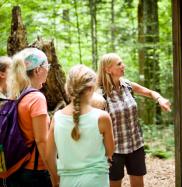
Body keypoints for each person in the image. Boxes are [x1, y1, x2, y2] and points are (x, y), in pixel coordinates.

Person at [97, 53, 171, 187]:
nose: (123, 66)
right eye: (119, 64)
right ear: (108, 69)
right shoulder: (100, 95)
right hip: (113, 150)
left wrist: (160, 99)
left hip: (136, 145)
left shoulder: (127, 85)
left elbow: (149, 92)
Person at [46, 64, 114, 187]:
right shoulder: (102, 117)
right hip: (96, 180)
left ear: (68, 87)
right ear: (91, 89)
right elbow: (110, 151)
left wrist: (56, 180)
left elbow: (49, 157)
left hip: (67, 182)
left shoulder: (56, 118)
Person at [6, 48, 52, 187]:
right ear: (38, 70)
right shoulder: (36, 98)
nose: (48, 70)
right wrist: (53, 171)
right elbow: (41, 141)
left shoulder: (16, 94)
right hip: (35, 171)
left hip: (15, 168)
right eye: (47, 66)